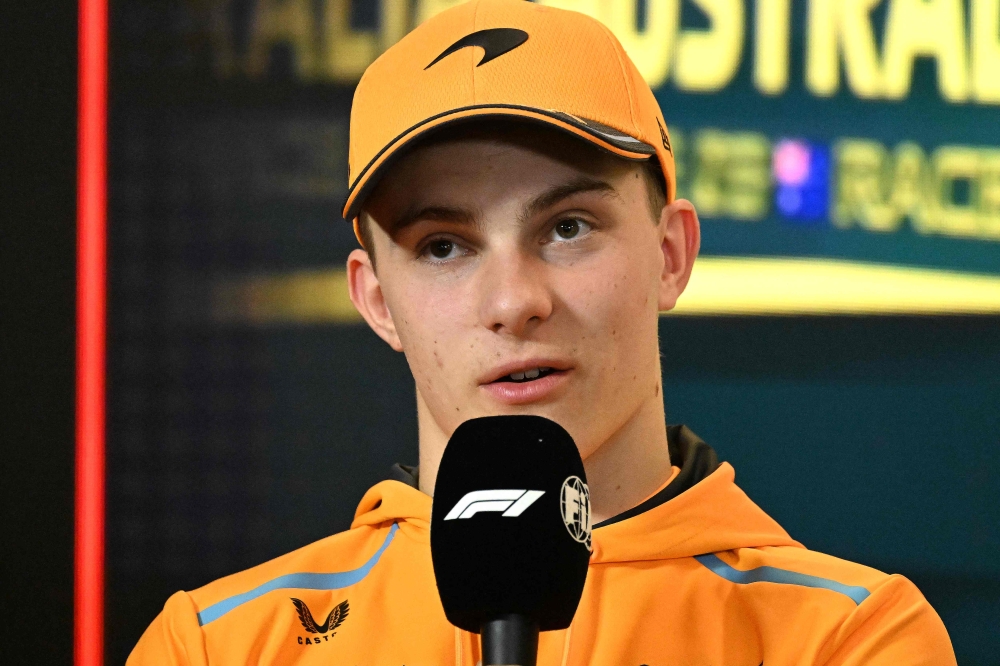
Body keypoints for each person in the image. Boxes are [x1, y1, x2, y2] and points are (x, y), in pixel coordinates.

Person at [128, 1, 956, 663]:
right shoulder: (216, 645)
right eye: (443, 246)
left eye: (566, 228)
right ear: (376, 300)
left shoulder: (851, 640)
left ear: (671, 255)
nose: (514, 300)